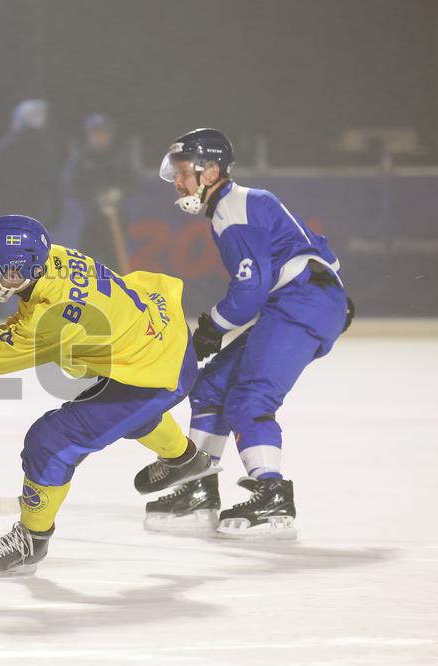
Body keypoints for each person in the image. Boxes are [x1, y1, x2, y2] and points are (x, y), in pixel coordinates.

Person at [0, 214, 216, 576]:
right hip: (159, 339)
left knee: (51, 441)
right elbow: (24, 328)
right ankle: (186, 459)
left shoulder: (54, 314)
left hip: (153, 372)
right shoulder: (50, 258)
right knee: (124, 414)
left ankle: (32, 539)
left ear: (15, 273)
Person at [145, 129, 353, 539]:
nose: (177, 181)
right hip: (303, 299)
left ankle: (272, 495)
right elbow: (322, 253)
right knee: (212, 388)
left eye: (184, 172)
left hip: (300, 301)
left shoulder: (233, 209)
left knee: (250, 396)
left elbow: (250, 290)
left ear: (213, 169)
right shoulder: (241, 203)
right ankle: (199, 487)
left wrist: (211, 329)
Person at [61, 114, 136, 272]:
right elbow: (71, 186)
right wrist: (94, 198)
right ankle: (82, 294)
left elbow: (131, 181)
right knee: (85, 263)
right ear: (88, 135)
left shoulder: (119, 155)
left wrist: (119, 193)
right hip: (90, 220)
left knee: (116, 263)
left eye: (103, 133)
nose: (99, 137)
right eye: (95, 133)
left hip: (116, 218)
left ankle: (118, 294)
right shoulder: (81, 158)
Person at [0, 99, 64, 227]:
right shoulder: (46, 151)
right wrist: (54, 219)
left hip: (5, 218)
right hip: (36, 219)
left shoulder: (3, 150)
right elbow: (57, 188)